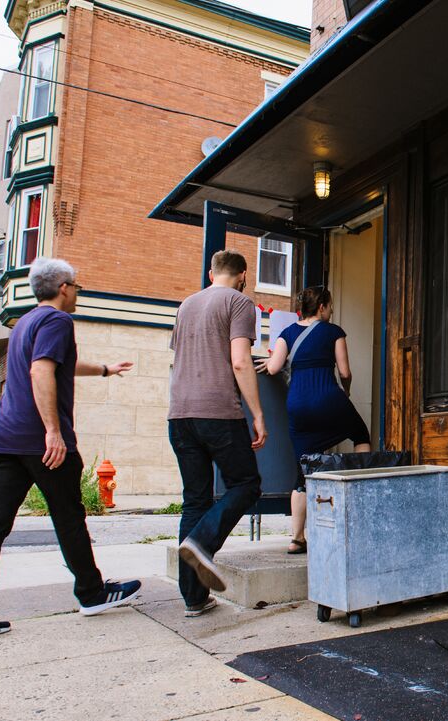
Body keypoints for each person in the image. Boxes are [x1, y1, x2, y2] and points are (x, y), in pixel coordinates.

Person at [0, 258, 141, 643]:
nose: (78, 292)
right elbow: (42, 371)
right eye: (77, 286)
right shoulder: (58, 321)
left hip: (6, 438)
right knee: (70, 517)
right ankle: (91, 593)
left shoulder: (25, 322)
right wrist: (53, 432)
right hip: (41, 442)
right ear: (63, 288)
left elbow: (58, 366)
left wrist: (106, 369)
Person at [169, 249, 266, 617]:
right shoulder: (239, 303)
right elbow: (240, 360)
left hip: (179, 414)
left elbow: (179, 358)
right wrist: (257, 413)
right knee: (246, 484)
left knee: (194, 500)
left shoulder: (186, 305)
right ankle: (203, 543)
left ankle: (194, 598)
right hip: (218, 412)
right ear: (242, 274)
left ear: (211, 273)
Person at [258, 286, 370, 554]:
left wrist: (263, 362)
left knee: (303, 471)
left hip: (298, 405)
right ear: (321, 307)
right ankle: (360, 497)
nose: (331, 310)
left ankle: (297, 538)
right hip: (329, 400)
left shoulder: (286, 334)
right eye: (329, 306)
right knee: (361, 435)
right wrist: (348, 390)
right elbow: (344, 371)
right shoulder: (333, 332)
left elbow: (273, 367)